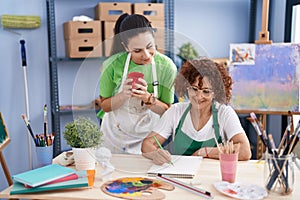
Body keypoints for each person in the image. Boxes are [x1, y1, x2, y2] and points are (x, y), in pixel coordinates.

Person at [141, 57, 252, 164]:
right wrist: (156, 153)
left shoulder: (224, 113)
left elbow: (245, 151)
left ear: (216, 92)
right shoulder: (176, 111)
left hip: (212, 177)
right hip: (181, 177)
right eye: (194, 89)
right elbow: (147, 144)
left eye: (206, 91)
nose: (198, 96)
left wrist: (203, 152)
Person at [97, 14, 177, 154]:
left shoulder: (167, 67)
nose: (146, 55)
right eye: (137, 50)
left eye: (149, 46)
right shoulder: (111, 65)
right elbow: (104, 106)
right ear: (126, 46)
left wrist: (147, 98)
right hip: (114, 137)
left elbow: (166, 111)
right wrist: (122, 96)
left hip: (148, 139)